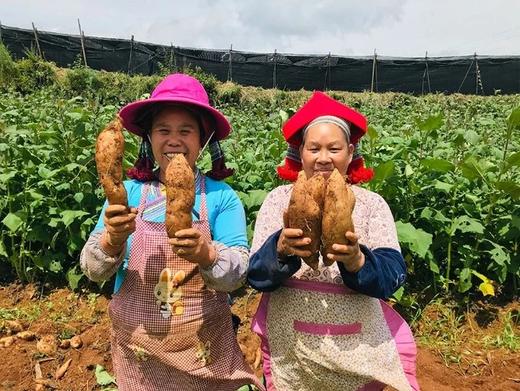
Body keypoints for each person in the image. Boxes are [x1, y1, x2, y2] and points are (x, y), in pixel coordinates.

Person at [80, 73, 262, 391]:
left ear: (203, 140)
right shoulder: (129, 193)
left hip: (203, 354)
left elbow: (238, 274)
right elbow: (93, 271)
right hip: (140, 354)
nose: (174, 139)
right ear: (149, 137)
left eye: (186, 131)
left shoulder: (221, 198)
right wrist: (112, 240)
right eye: (163, 130)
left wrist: (206, 254)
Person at [247, 91, 419, 391]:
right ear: (301, 153)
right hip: (292, 349)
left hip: (357, 351)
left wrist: (358, 261)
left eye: (334, 148)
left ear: (350, 153)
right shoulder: (279, 201)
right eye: (314, 148)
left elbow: (394, 275)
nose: (323, 158)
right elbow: (256, 275)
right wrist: (280, 250)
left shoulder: (372, 204)